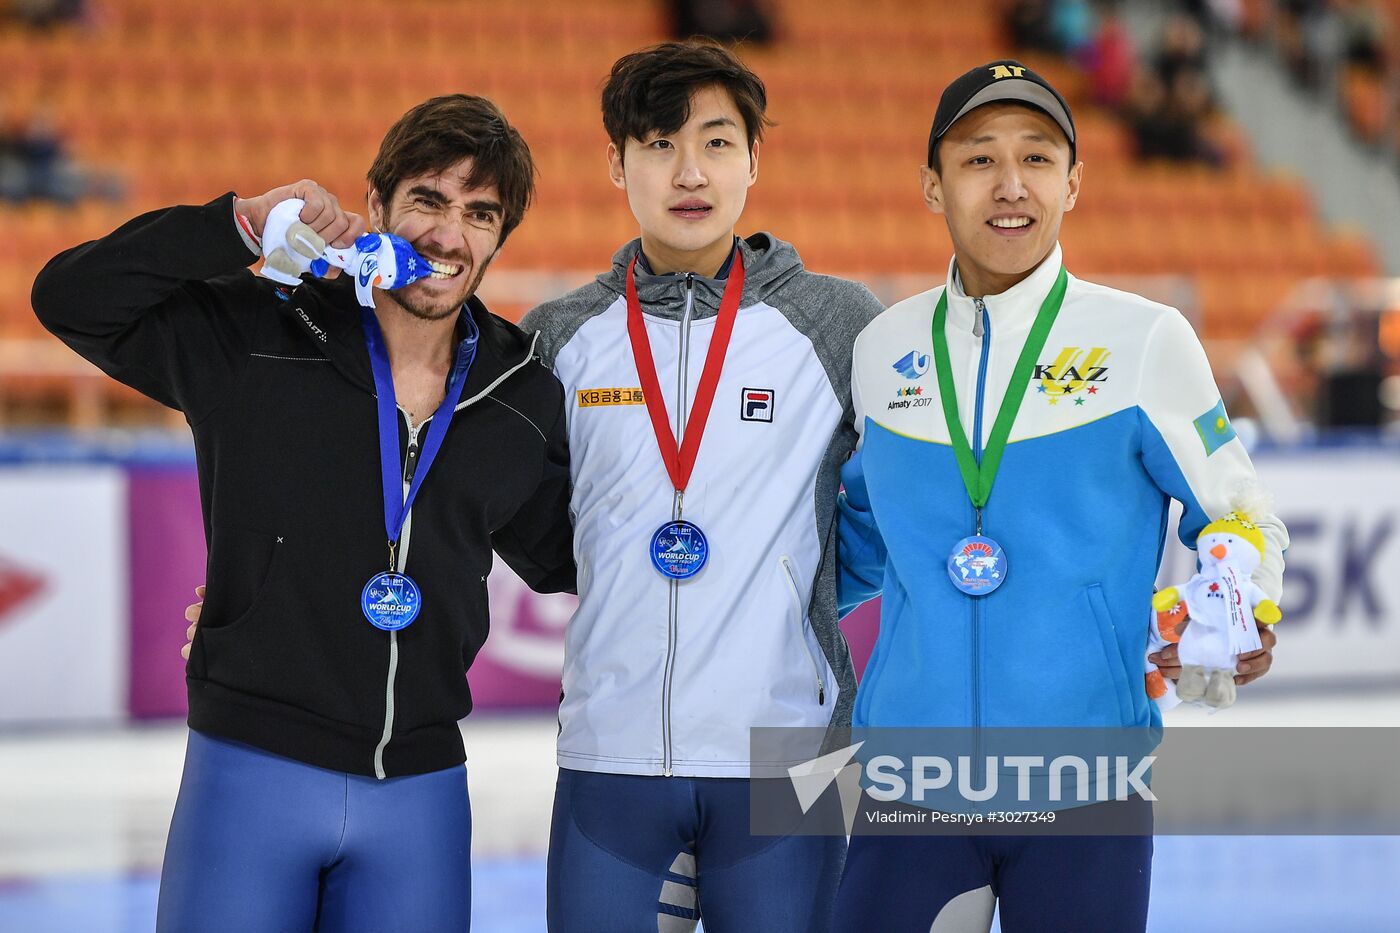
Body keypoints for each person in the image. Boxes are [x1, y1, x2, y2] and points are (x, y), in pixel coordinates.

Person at [32, 94, 575, 932]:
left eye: (479, 214)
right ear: (380, 201)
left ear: (499, 238)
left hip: (423, 795)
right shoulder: (259, 333)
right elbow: (70, 296)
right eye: (428, 200)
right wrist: (241, 227)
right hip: (251, 770)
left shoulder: (519, 391)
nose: (448, 234)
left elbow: (576, 554)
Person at [832, 61, 1285, 932]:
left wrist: (1239, 598)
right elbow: (854, 544)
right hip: (911, 786)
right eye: (977, 159)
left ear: (1074, 182)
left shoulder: (1145, 340)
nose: (1011, 186)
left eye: (1037, 159)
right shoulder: (883, 350)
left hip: (1088, 791)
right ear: (932, 184)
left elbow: (1238, 513)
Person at [521, 40, 883, 932]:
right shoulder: (558, 337)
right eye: (657, 143)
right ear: (616, 161)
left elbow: (904, 506)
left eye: (718, 143)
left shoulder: (837, 323)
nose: (690, 171)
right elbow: (491, 518)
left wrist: (816, 589)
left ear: (754, 160)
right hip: (612, 756)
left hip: (785, 755)